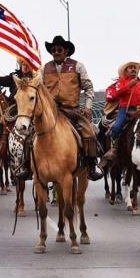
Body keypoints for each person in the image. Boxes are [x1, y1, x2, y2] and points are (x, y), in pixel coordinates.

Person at [40, 35, 103, 181]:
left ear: (66, 51)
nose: (56, 52)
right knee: (31, 134)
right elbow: (38, 88)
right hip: (50, 112)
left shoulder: (77, 66)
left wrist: (87, 107)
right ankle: (27, 165)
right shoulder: (44, 68)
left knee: (89, 133)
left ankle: (91, 165)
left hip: (72, 111)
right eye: (53, 50)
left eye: (59, 49)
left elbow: (88, 88)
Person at [99, 61, 140, 166]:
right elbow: (113, 95)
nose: (133, 69)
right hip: (125, 109)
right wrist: (129, 86)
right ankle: (113, 149)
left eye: (134, 68)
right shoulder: (121, 82)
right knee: (117, 127)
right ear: (125, 71)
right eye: (130, 68)